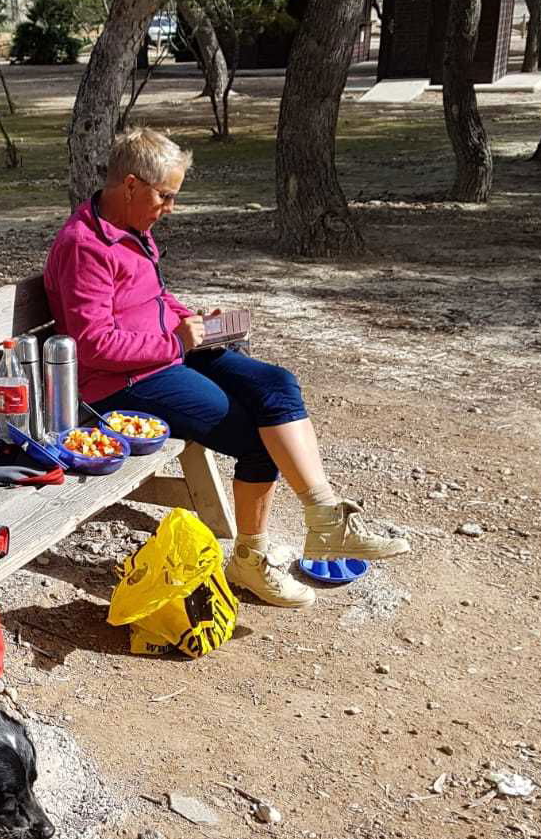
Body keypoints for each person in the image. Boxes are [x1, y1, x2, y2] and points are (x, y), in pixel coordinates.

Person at [43, 126, 409, 608]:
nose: (169, 208)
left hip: (166, 354)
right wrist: (174, 340)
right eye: (165, 196)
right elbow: (93, 345)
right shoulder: (84, 246)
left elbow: (153, 298)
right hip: (121, 383)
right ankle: (249, 561)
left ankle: (325, 518)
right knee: (259, 442)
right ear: (130, 184)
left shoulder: (133, 230)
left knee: (277, 384)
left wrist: (190, 320)